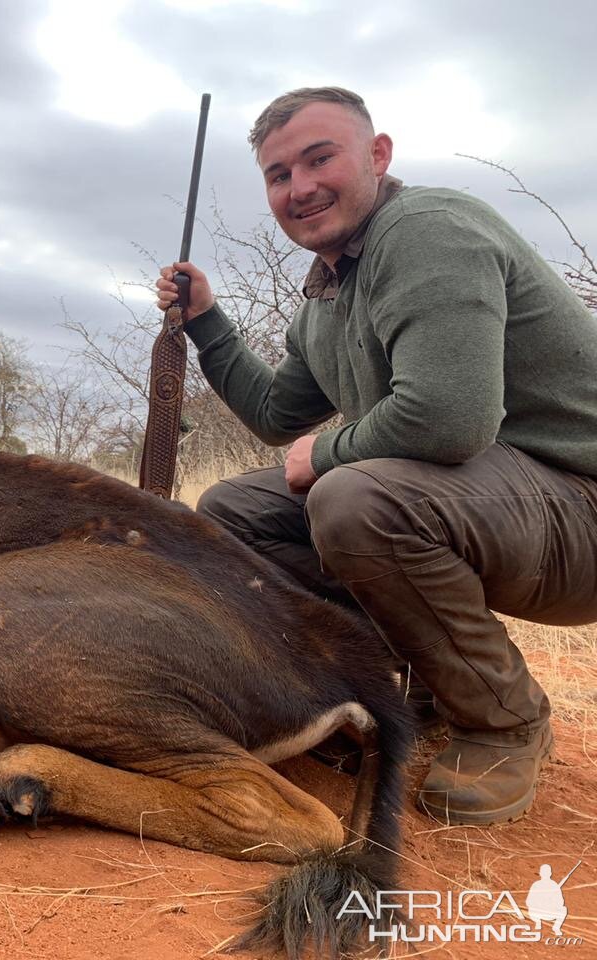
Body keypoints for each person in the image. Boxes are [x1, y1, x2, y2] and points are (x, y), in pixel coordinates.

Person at [156, 86, 597, 826]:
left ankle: (502, 720)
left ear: (378, 155)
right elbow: (273, 415)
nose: (300, 187)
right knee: (233, 510)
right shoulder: (327, 293)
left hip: (579, 513)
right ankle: (393, 686)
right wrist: (206, 324)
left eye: (319, 158)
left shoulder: (427, 231)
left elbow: (448, 420)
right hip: (493, 508)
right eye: (278, 174)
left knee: (353, 499)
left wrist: (325, 452)